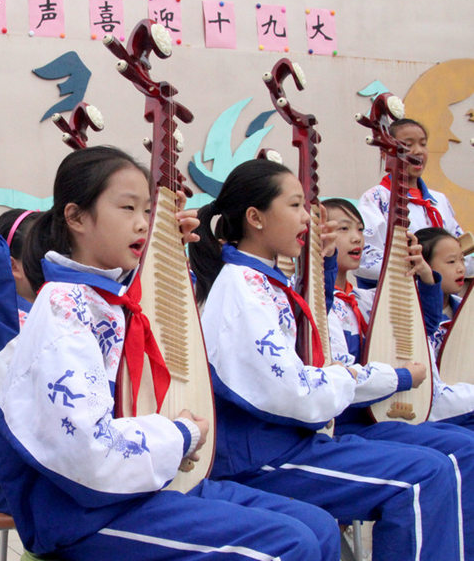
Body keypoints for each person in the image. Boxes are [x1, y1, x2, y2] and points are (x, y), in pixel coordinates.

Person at [0, 146, 343, 561]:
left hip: (140, 488)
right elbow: (88, 450)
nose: (142, 223)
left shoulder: (109, 298)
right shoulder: (64, 308)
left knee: (318, 527)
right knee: (288, 543)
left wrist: (165, 250)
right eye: (127, 208)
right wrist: (180, 434)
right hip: (87, 514)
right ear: (76, 217)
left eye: (146, 211)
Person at [190, 159, 461, 560]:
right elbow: (292, 392)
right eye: (296, 206)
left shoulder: (262, 281)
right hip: (260, 455)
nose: (307, 218)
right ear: (255, 218)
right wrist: (375, 376)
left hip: (290, 440)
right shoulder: (240, 290)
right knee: (423, 477)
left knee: (436, 467)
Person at [323, 198, 474, 558]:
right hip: (346, 425)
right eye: (343, 229)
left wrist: (424, 277)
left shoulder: (363, 298)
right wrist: (402, 377)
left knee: (465, 447)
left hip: (378, 416)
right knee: (449, 458)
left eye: (359, 228)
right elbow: (344, 377)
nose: (356, 237)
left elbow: (416, 334)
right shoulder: (323, 305)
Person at [356, 118, 473, 287]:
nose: (418, 151)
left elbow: (461, 252)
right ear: (385, 151)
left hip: (441, 296)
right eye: (407, 144)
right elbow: (363, 257)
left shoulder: (438, 200)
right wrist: (418, 268)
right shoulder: (375, 198)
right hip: (398, 297)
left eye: (423, 144)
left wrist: (451, 265)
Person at [415, 227, 474, 427]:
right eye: (451, 262)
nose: (460, 268)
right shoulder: (414, 316)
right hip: (434, 413)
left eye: (462, 260)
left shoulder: (466, 312)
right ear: (422, 266)